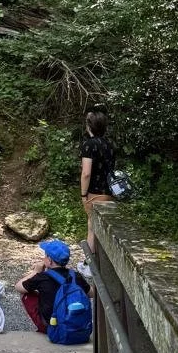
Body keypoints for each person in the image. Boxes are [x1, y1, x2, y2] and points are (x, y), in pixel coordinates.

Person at [15, 238, 91, 334]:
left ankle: (44, 327)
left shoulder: (42, 277)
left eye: (45, 256)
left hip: (51, 327)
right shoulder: (76, 276)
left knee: (26, 294)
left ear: (49, 260)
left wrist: (35, 272)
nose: (44, 258)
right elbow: (91, 293)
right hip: (74, 325)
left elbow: (18, 287)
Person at [81, 106, 116, 249]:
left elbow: (86, 173)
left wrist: (83, 195)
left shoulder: (89, 145)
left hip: (94, 192)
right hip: (109, 191)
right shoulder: (110, 145)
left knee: (92, 226)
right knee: (103, 227)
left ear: (89, 125)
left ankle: (91, 264)